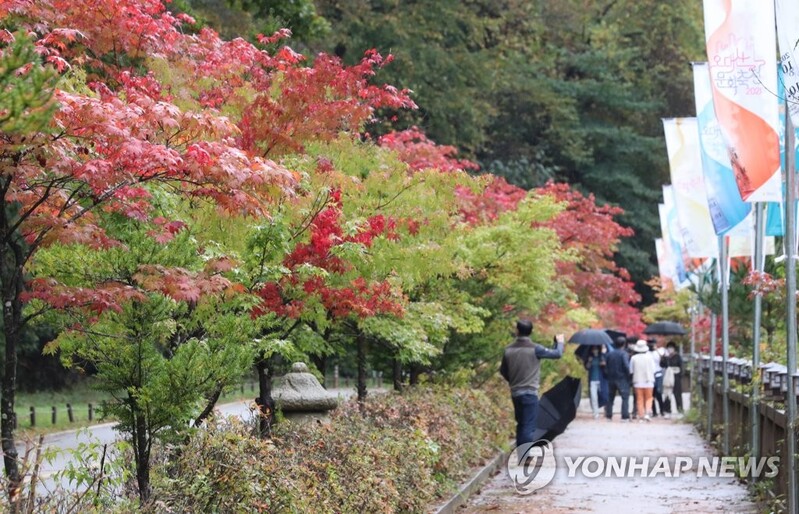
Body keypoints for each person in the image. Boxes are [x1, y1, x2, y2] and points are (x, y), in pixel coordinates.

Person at [500, 320, 564, 455]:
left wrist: (513, 381)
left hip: (515, 392)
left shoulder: (508, 350)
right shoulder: (535, 349)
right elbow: (557, 354)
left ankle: (522, 454)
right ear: (531, 331)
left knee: (521, 423)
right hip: (530, 392)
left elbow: (503, 371)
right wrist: (560, 342)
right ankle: (525, 455)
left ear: (517, 331)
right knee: (529, 425)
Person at [604, 336, 631, 421]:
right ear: (624, 344)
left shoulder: (609, 354)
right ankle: (625, 416)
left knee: (610, 398)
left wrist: (607, 375)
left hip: (611, 378)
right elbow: (626, 366)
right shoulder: (624, 354)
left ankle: (609, 415)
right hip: (622, 378)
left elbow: (606, 367)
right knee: (625, 397)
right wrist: (629, 376)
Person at [630, 339, 656, 422]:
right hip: (649, 381)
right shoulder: (650, 357)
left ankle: (641, 415)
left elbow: (631, 370)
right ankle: (647, 413)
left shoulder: (633, 358)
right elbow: (654, 370)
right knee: (649, 398)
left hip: (637, 381)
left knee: (639, 399)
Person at [661, 341, 684, 415]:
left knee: (677, 393)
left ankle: (680, 409)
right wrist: (663, 358)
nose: (670, 349)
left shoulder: (678, 356)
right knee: (667, 392)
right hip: (668, 376)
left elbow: (681, 366)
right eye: (669, 348)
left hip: (676, 376)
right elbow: (662, 365)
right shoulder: (666, 357)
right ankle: (667, 409)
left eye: (671, 348)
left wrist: (680, 375)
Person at [584, 345, 607, 419]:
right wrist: (589, 361)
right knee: (594, 397)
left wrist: (603, 364)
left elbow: (607, 366)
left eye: (596, 349)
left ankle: (606, 411)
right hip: (592, 380)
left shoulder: (602, 357)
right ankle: (595, 413)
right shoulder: (590, 358)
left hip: (601, 380)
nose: (595, 350)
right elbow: (587, 367)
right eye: (594, 349)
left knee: (604, 396)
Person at [648, 339, 666, 418]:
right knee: (651, 395)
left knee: (658, 393)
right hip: (650, 375)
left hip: (658, 374)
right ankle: (654, 411)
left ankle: (662, 410)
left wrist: (657, 350)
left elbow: (663, 359)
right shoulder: (647, 353)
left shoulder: (659, 351)